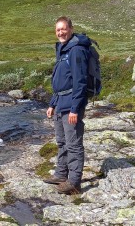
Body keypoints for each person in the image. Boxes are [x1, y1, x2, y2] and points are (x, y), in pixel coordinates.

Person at [44, 16, 91, 195]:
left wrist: (75, 109)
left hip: (71, 105)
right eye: (58, 30)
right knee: (62, 142)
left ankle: (74, 182)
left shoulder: (76, 50)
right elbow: (61, 82)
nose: (60, 32)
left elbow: (80, 82)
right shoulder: (63, 50)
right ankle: (61, 174)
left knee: (73, 144)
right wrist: (52, 104)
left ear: (71, 29)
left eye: (63, 29)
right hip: (60, 103)